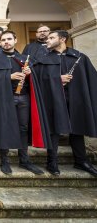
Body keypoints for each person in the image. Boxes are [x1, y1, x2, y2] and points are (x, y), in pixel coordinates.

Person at [0, 30, 50, 175]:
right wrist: (8, 76)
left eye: (9, 39)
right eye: (3, 40)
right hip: (5, 98)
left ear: (15, 40)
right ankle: (4, 161)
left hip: (24, 98)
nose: (6, 42)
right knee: (4, 127)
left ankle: (24, 160)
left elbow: (35, 82)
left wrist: (31, 74)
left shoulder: (24, 59)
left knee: (23, 128)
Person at [34, 30, 97, 177]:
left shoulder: (79, 57)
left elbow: (91, 79)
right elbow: (37, 79)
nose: (47, 40)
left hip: (76, 99)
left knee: (77, 129)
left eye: (51, 38)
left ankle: (81, 160)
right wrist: (57, 79)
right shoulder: (44, 58)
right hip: (53, 100)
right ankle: (52, 162)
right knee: (54, 130)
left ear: (62, 39)